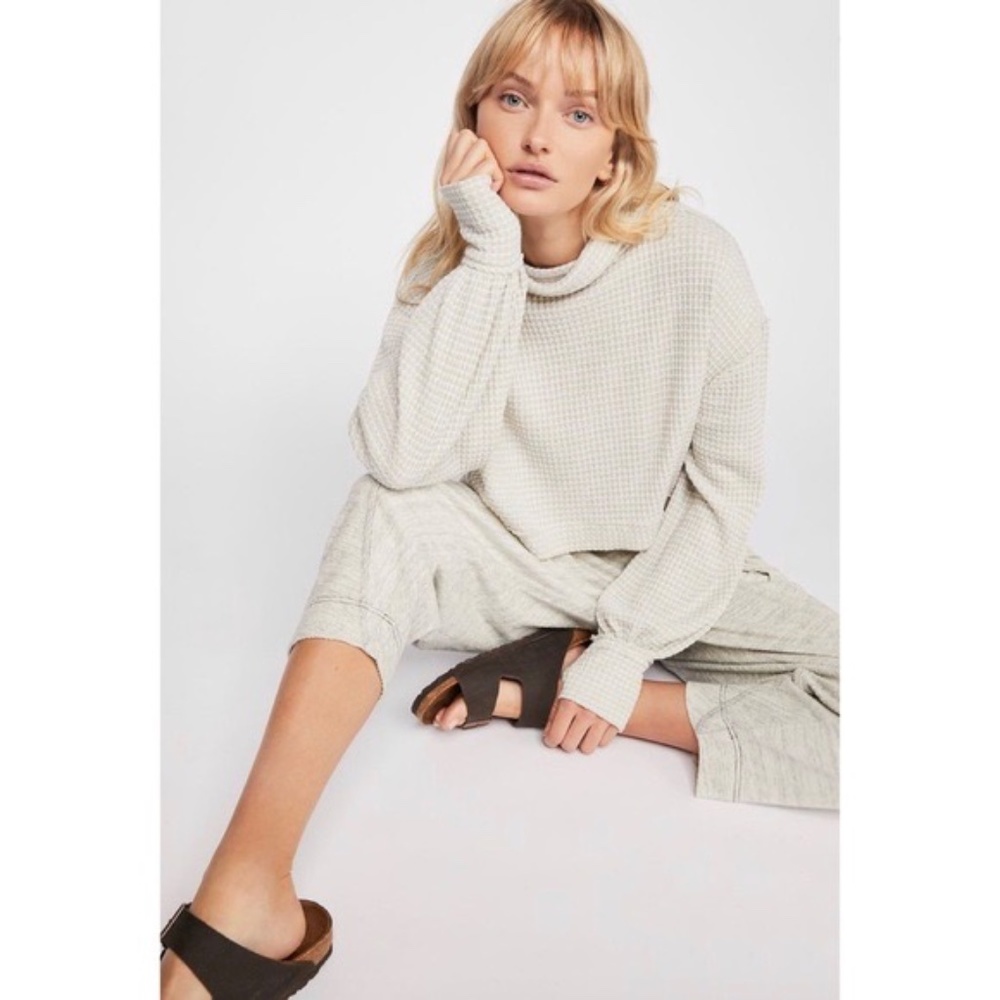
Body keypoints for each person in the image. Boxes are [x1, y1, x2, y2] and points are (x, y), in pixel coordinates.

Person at [160, 0, 839, 996]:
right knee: (383, 515)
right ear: (472, 120)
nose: (536, 136)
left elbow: (722, 491)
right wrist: (486, 254)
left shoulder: (698, 263)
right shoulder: (452, 262)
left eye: (578, 113)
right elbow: (402, 461)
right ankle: (248, 887)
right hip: (499, 561)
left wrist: (619, 660)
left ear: (615, 153)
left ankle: (553, 683)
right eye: (513, 100)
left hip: (657, 567)